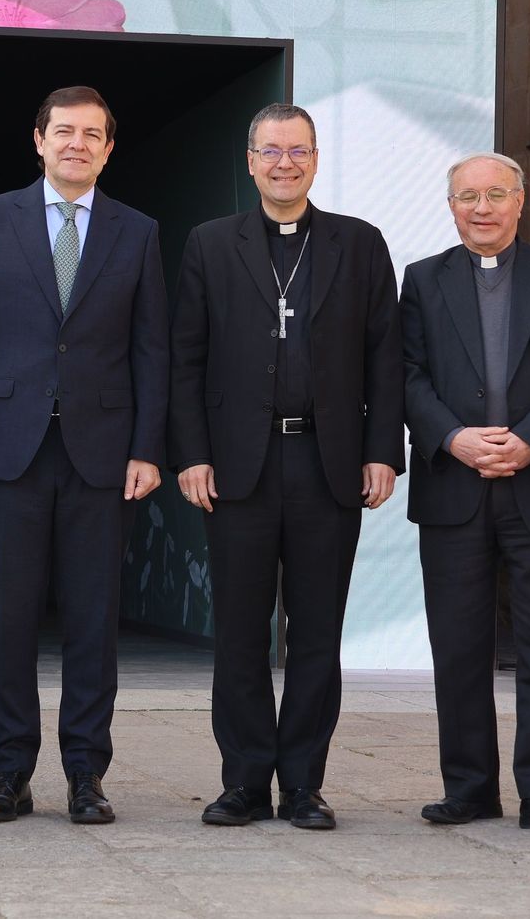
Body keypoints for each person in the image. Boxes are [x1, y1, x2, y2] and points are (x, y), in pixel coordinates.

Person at [0, 86, 168, 824]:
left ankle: (84, 774)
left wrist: (147, 447)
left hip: (102, 457)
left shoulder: (138, 231)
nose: (76, 143)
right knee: (7, 619)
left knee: (94, 622)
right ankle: (9, 772)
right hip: (7, 451)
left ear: (108, 147)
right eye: (63, 131)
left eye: (91, 133)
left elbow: (151, 349)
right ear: (38, 140)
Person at [169, 103, 402, 829]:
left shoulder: (359, 244)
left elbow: (385, 358)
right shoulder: (210, 244)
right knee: (238, 632)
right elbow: (186, 359)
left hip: (327, 463)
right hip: (239, 465)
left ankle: (303, 783)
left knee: (316, 633)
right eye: (269, 151)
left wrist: (381, 452)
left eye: (297, 151)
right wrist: (193, 454)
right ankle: (243, 781)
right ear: (249, 161)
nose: (283, 163)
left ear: (315, 158)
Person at [400, 151, 530, 837]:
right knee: (458, 645)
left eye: (495, 195)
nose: (481, 208)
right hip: (454, 486)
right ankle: (468, 788)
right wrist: (453, 437)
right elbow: (406, 373)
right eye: (468, 196)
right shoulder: (422, 281)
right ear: (451, 205)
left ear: (522, 202)